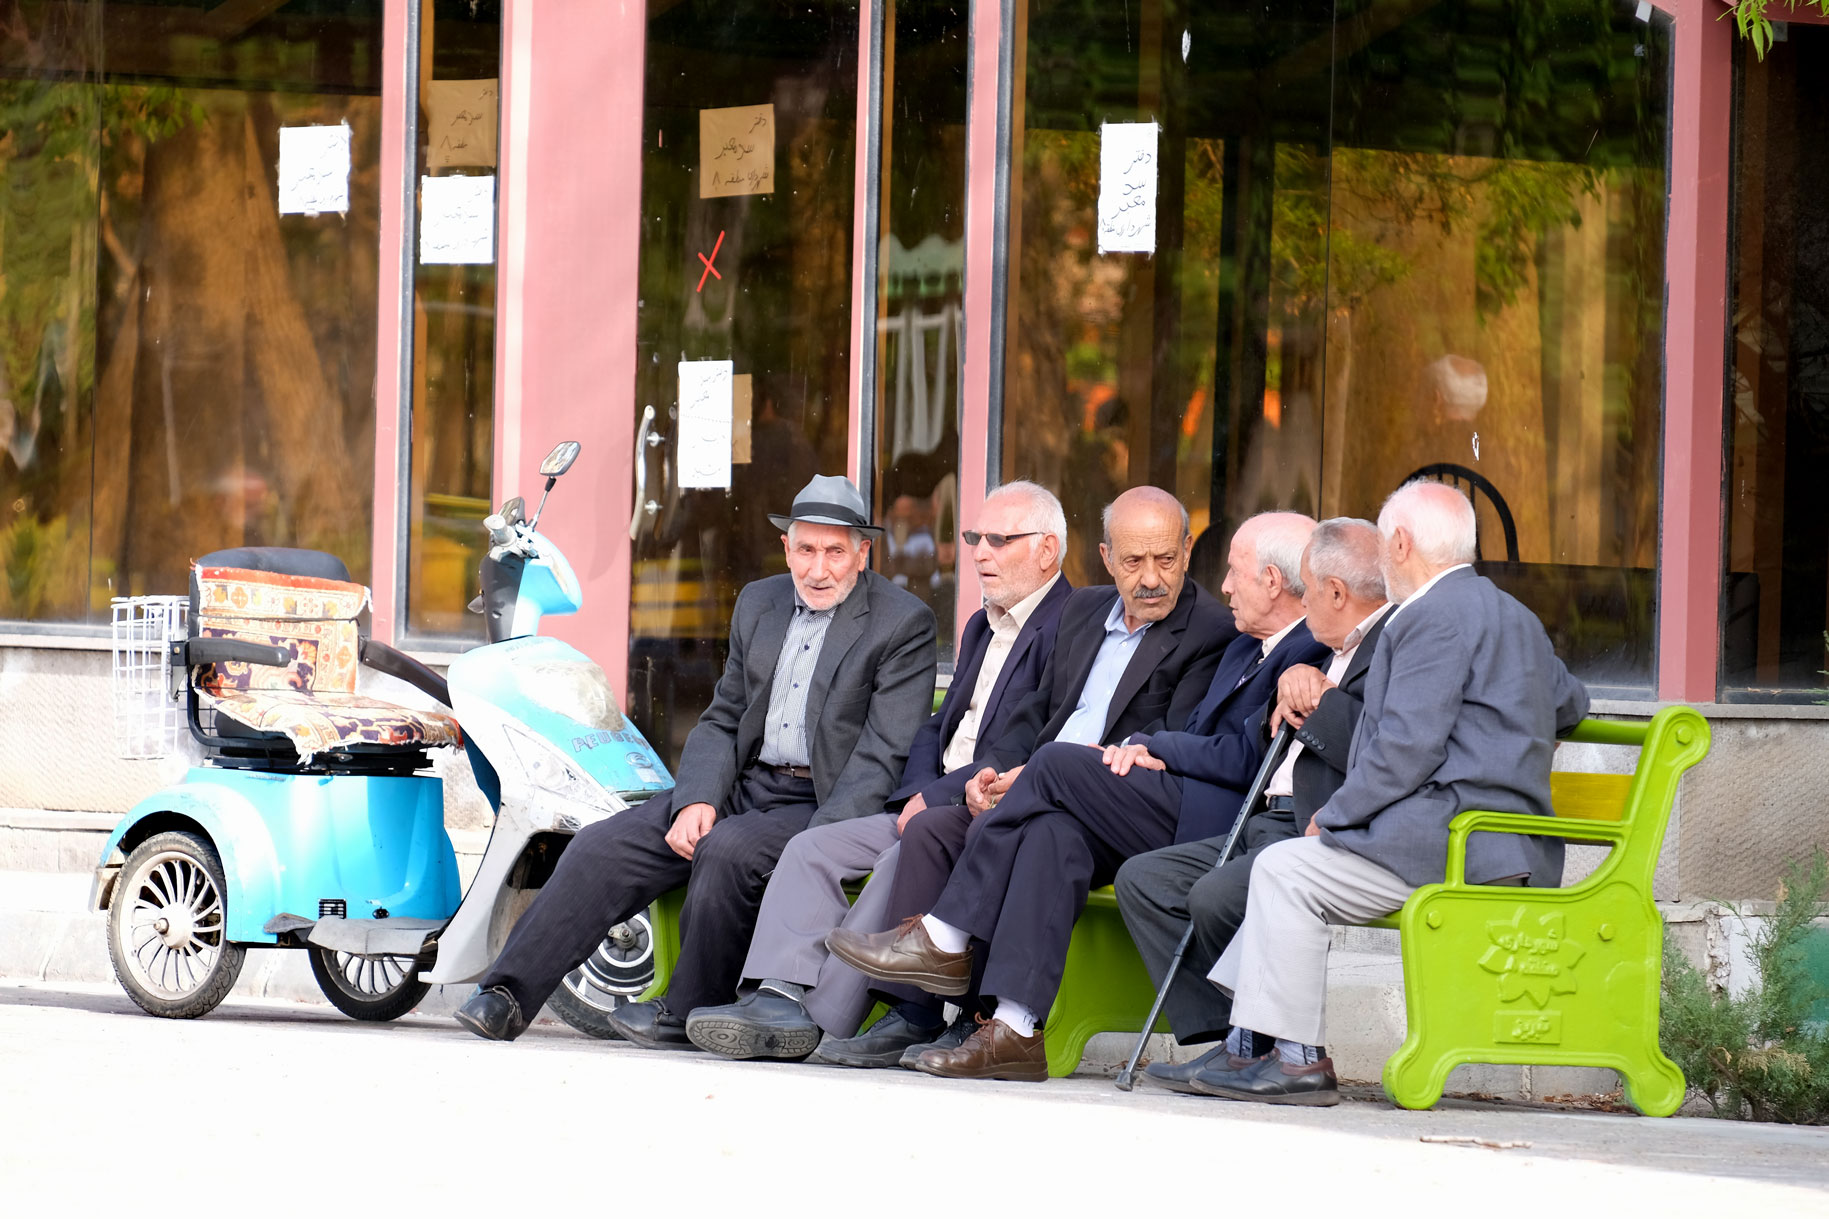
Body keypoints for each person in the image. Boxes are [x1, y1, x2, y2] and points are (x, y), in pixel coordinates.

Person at [830, 511, 1329, 1081]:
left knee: (1058, 762)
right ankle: (1015, 1030)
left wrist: (1148, 745)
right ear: (1108, 557)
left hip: (1213, 813)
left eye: (1234, 572)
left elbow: (1244, 759)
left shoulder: (1299, 650)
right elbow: (1049, 713)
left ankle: (945, 934)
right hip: (1161, 790)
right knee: (1051, 834)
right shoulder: (1247, 645)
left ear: (1271, 580)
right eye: (1134, 561)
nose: (1224, 584)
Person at [452, 475, 938, 1046]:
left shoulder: (901, 622)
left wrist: (820, 842)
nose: (819, 568)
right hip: (745, 782)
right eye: (806, 550)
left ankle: (685, 1012)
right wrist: (699, 797)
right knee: (603, 844)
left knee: (728, 851)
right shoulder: (760, 601)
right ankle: (506, 995)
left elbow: (882, 753)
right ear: (787, 548)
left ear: (862, 552)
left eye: (835, 551)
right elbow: (724, 715)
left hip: (823, 800)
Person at [1195, 480, 1589, 1106]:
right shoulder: (1514, 613)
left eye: (1384, 548)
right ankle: (1249, 1045)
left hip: (1458, 848)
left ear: (1400, 543)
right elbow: (1570, 705)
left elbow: (1404, 748)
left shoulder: (1428, 618)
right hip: (1502, 843)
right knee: (1285, 866)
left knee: (1288, 869)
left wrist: (1334, 815)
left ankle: (1292, 1059)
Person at [681, 481, 1073, 1061]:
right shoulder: (981, 624)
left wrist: (935, 798)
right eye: (975, 538)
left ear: (1047, 550)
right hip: (930, 798)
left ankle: (825, 1020)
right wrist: (915, 791)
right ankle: (779, 994)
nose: (979, 552)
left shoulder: (1070, 625)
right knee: (812, 847)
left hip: (986, 804)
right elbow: (934, 730)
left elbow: (1025, 739)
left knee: (899, 857)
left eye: (998, 539)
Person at [1114, 517, 1390, 1091]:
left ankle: (1271, 1048)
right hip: (1265, 811)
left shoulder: (1384, 645)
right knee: (1145, 880)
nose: (1300, 600)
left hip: (1315, 820)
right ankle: (1234, 1041)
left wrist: (1319, 698)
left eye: (1308, 589)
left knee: (1215, 894)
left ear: (1333, 592)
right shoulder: (1321, 648)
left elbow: (1380, 743)